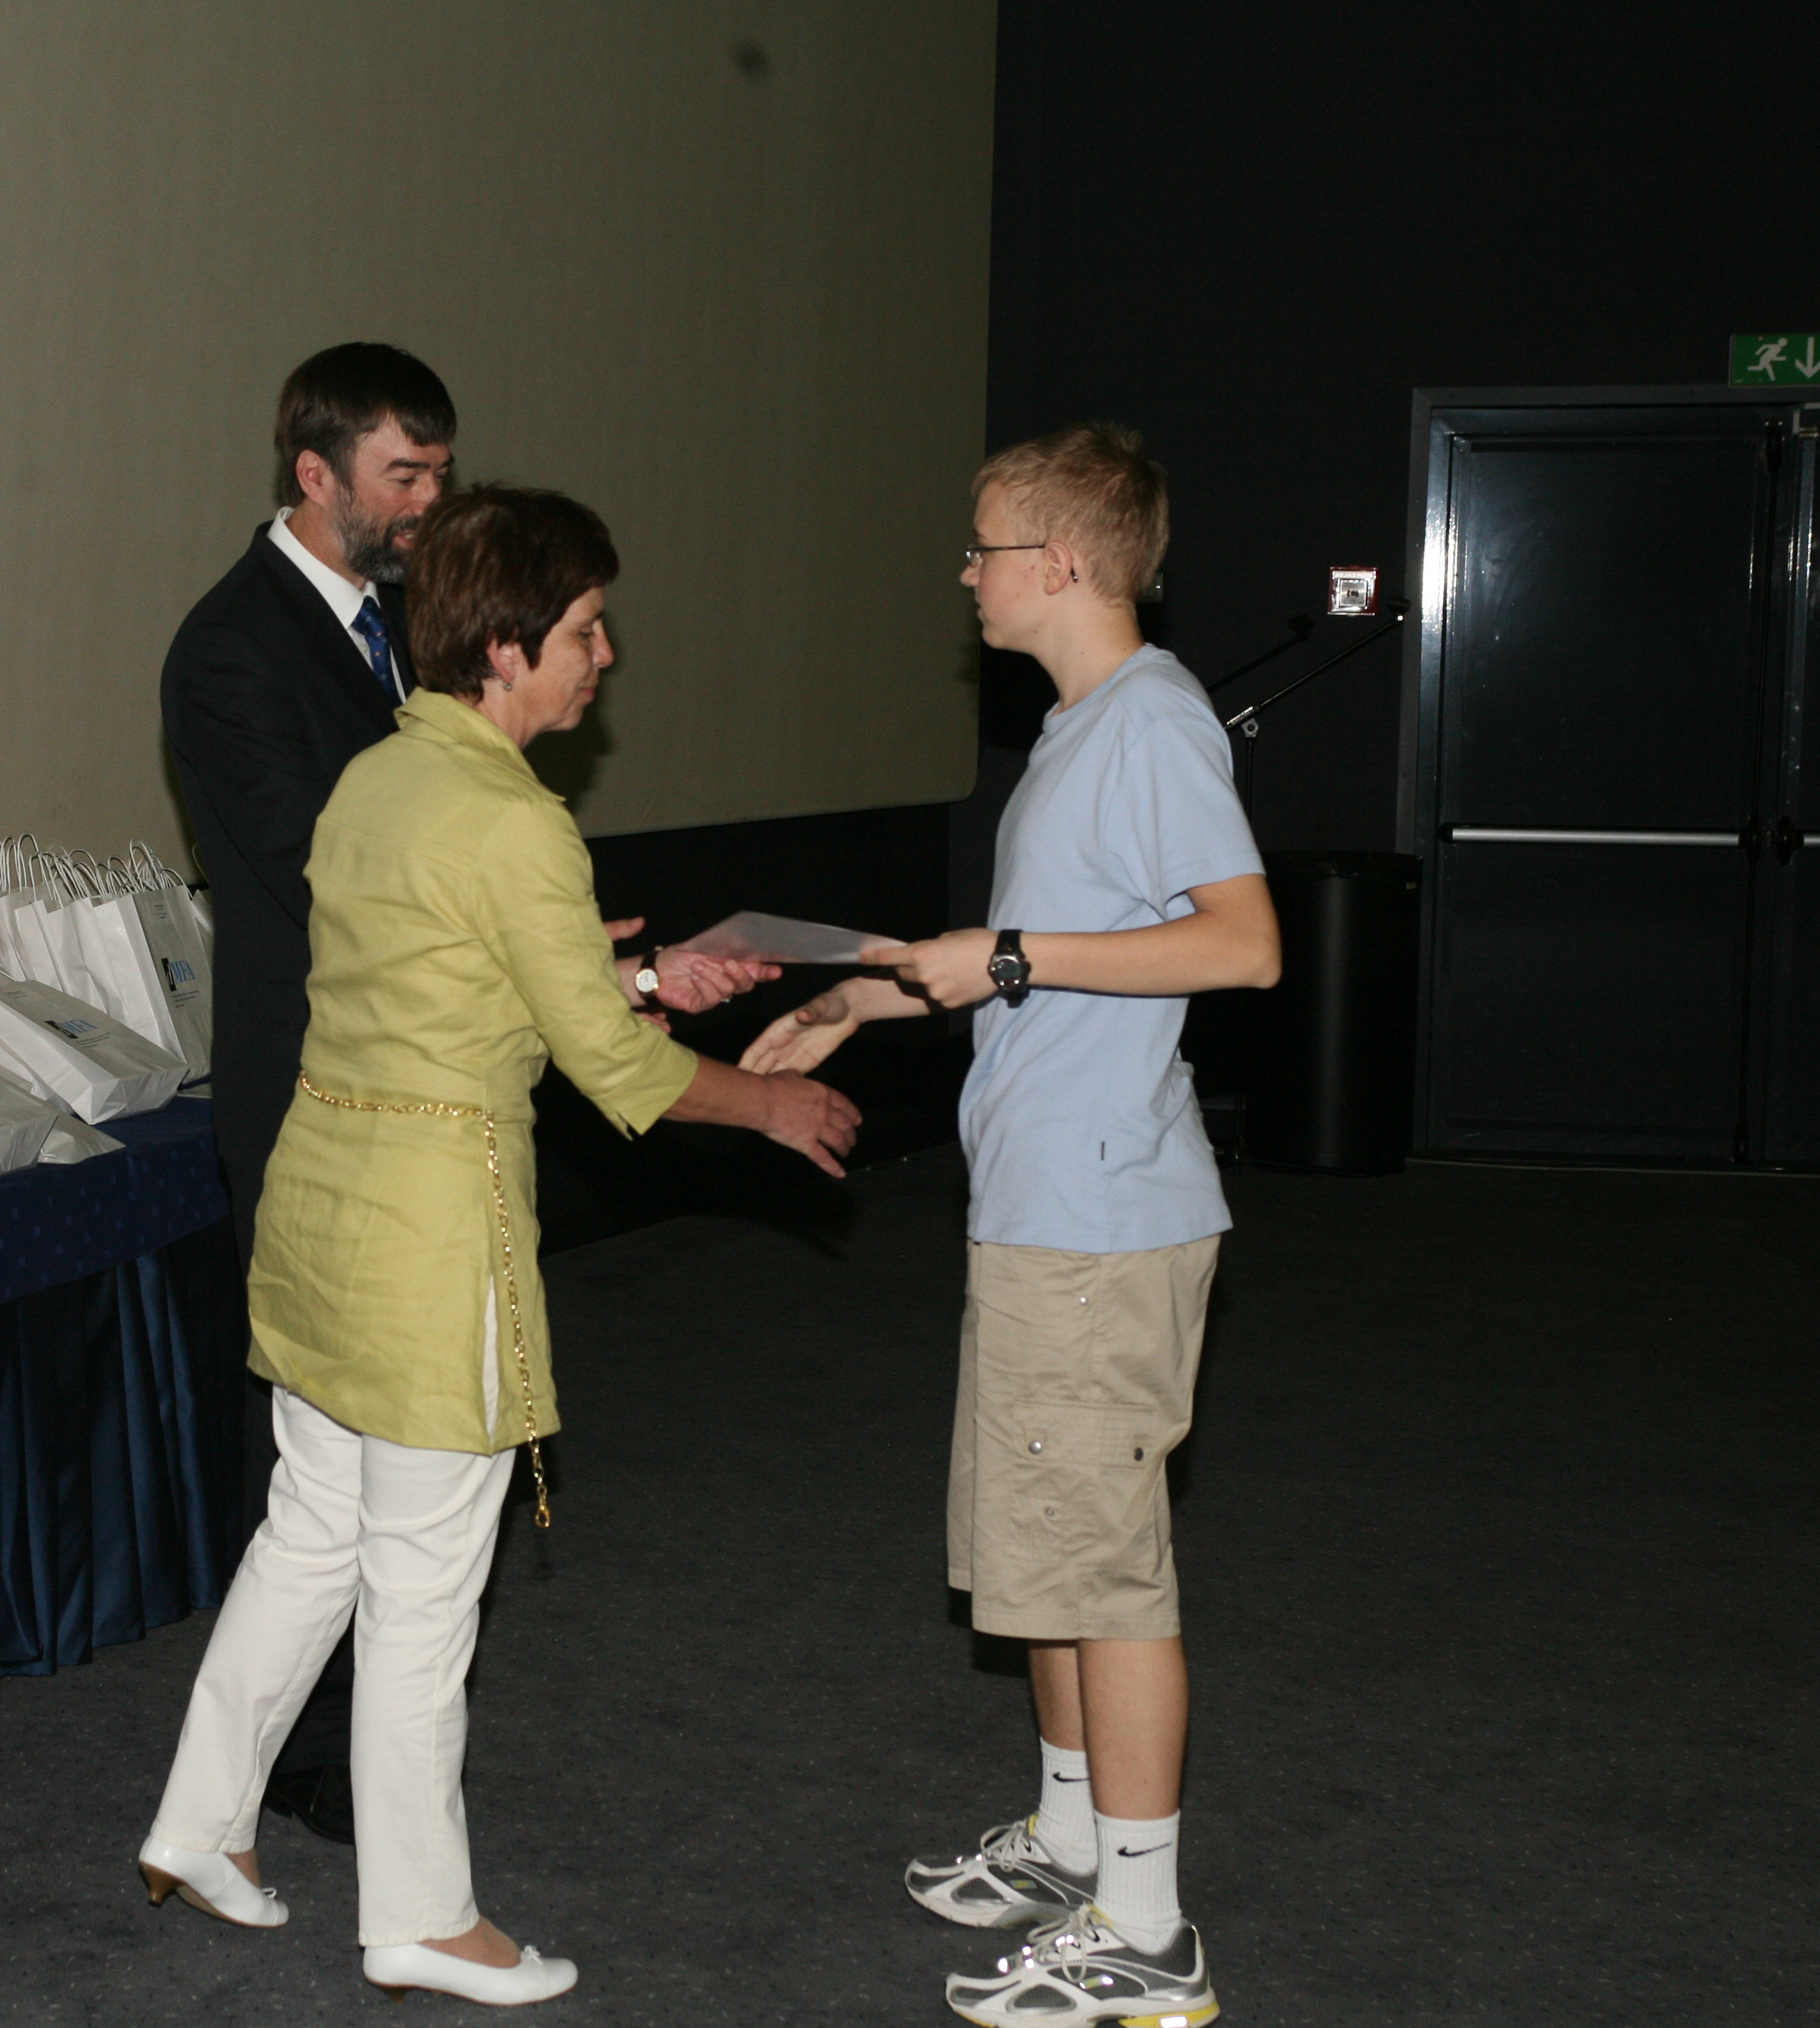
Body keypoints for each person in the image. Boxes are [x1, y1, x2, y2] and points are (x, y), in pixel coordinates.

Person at [139, 485, 861, 2005]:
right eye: (589, 627)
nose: (608, 654)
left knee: (308, 1535)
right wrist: (773, 1102)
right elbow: (614, 1069)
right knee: (420, 1589)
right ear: (511, 648)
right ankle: (420, 1916)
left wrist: (636, 977)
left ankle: (201, 1823)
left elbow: (453, 978)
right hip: (431, 1240)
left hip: (323, 1211)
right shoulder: (519, 819)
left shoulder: (378, 777)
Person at [159, 345, 765, 1843]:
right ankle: (322, 1772)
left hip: (421, 1073)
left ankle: (247, 1799)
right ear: (315, 474)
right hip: (323, 1087)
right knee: (320, 1469)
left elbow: (448, 886)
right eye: (403, 477)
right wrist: (570, 967)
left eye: (440, 472)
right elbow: (344, 880)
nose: (431, 503)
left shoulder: (402, 630)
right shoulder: (232, 647)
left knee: (349, 1486)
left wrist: (587, 965)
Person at [745, 424, 1278, 2027]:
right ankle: (1070, 1841)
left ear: (1059, 562)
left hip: (1104, 1222)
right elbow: (1011, 956)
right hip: (1046, 1209)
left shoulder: (1154, 722)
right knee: (1043, 1551)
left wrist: (1017, 957)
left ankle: (1149, 1930)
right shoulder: (1077, 729)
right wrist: (851, 1001)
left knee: (1107, 1574)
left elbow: (1242, 946)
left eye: (982, 548)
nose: (965, 574)